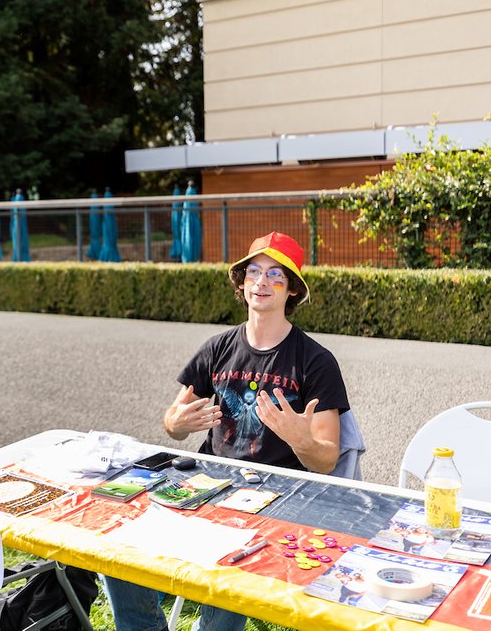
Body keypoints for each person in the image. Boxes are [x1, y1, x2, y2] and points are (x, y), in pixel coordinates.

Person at [104, 231, 351, 631]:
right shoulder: (216, 348)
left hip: (275, 499)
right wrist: (177, 423)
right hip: (205, 483)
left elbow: (325, 459)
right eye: (254, 271)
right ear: (242, 283)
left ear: (292, 290)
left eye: (275, 275)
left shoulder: (315, 362)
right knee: (118, 543)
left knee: (233, 574)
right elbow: (173, 420)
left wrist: (298, 436)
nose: (262, 282)